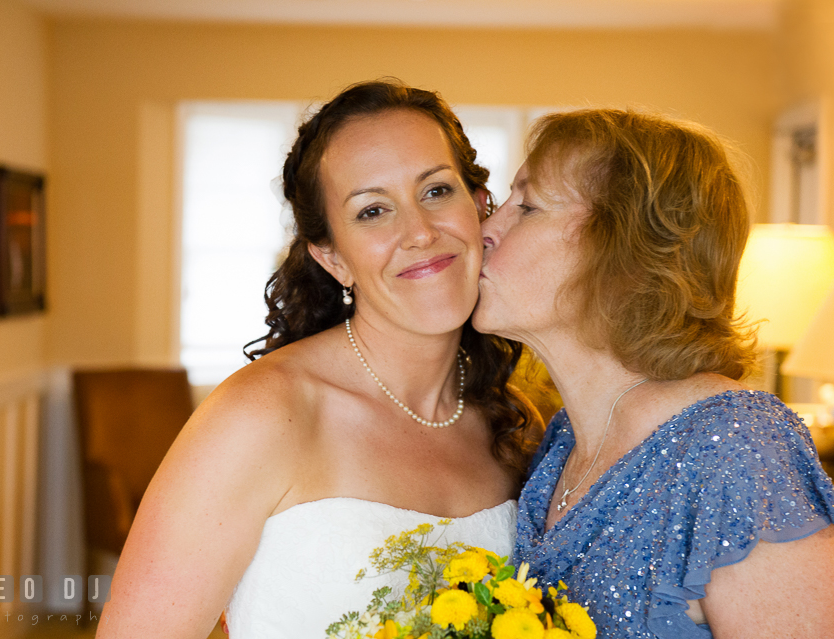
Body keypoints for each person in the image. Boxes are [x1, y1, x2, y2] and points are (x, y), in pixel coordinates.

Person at [96, 80, 538, 639]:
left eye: (435, 192)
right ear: (332, 258)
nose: (420, 233)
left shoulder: (512, 419)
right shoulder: (260, 416)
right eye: (373, 210)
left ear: (479, 208)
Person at [473, 109, 834, 638]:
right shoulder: (562, 441)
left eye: (526, 206)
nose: (485, 230)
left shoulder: (737, 450)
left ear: (621, 252)